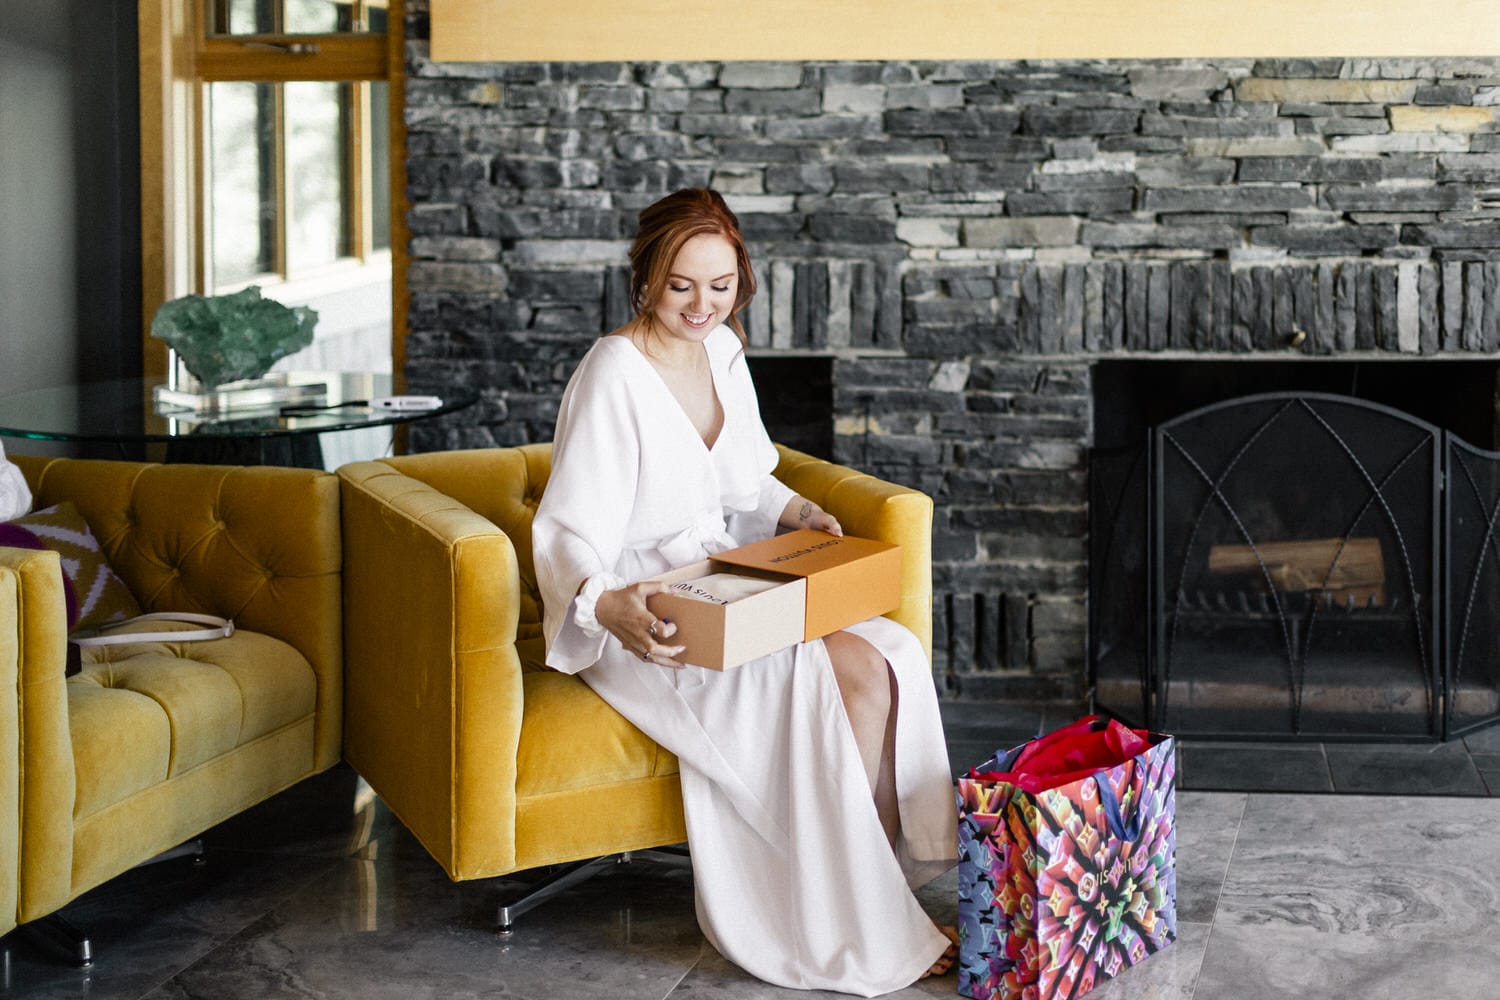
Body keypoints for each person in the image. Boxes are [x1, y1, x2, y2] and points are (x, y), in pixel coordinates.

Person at [532, 188, 957, 996]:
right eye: (681, 284)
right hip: (648, 613)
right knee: (830, 678)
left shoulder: (722, 349)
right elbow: (565, 530)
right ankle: (857, 918)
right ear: (647, 277)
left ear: (740, 283)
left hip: (720, 576)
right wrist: (604, 603)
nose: (701, 305)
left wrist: (796, 509)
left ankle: (880, 888)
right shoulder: (612, 372)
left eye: (720, 285)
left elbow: (746, 478)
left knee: (889, 655)